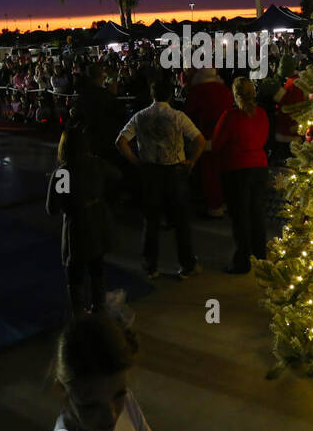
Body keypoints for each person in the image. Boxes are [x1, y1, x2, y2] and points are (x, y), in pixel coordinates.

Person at [35, 314, 180, 431]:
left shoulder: (127, 405)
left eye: (118, 394)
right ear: (63, 389)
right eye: (91, 405)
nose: (110, 416)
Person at [115, 76, 205, 280]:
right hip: (175, 171)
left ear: (152, 94)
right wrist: (191, 161)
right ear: (171, 95)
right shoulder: (177, 116)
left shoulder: (140, 116)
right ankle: (187, 264)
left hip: (150, 172)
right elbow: (199, 139)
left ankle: (150, 266)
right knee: (181, 221)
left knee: (151, 220)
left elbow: (121, 142)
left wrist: (136, 162)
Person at [52, 110, 120, 315]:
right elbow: (117, 175)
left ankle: (79, 313)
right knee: (97, 263)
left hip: (77, 224)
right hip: (98, 219)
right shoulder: (97, 163)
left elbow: (53, 207)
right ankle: (98, 308)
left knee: (75, 269)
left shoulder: (64, 172)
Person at [211, 77, 270, 274]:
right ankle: (261, 255)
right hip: (259, 166)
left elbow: (218, 143)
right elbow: (264, 138)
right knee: (257, 214)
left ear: (235, 95)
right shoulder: (261, 114)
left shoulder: (230, 116)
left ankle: (242, 261)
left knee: (240, 217)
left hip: (237, 168)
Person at [184, 66, 233, 217]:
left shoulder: (197, 91)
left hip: (204, 136)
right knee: (224, 171)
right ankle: (226, 203)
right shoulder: (224, 89)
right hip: (224, 136)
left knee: (209, 174)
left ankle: (214, 206)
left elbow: (188, 114)